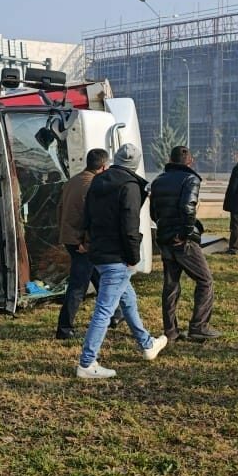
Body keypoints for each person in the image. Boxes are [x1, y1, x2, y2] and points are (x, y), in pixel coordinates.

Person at [76, 143, 167, 378]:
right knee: (104, 311)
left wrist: (85, 239)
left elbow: (87, 214)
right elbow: (130, 225)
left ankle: (147, 344)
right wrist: (133, 257)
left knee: (128, 300)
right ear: (135, 164)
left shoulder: (98, 180)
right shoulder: (130, 186)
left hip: (99, 252)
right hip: (118, 257)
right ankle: (87, 363)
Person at [149, 146, 219, 342]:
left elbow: (153, 212)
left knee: (171, 285)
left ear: (170, 159)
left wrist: (165, 228)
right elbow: (188, 207)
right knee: (205, 281)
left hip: (164, 237)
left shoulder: (158, 181)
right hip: (182, 240)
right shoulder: (190, 179)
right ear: (190, 161)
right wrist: (185, 233)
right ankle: (199, 326)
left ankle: (170, 331)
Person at [55, 148, 123, 339]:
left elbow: (60, 209)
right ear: (104, 167)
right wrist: (86, 242)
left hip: (70, 237)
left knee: (99, 276)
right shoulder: (94, 185)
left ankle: (116, 314)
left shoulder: (72, 181)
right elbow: (93, 217)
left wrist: (66, 234)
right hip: (83, 242)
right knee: (78, 285)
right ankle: (64, 328)